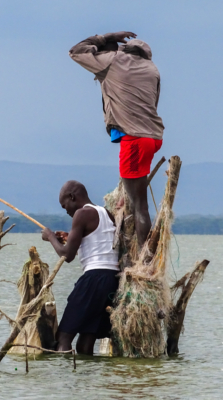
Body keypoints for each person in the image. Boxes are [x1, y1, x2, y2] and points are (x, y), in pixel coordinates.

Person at [69, 31, 165, 247]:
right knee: (133, 198)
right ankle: (133, 245)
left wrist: (105, 37)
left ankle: (143, 260)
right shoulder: (152, 69)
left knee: (140, 205)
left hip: (135, 140)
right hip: (153, 137)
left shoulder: (113, 61)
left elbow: (76, 51)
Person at [41, 180, 119, 355]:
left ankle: (65, 380)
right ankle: (87, 381)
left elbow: (67, 255)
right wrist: (70, 237)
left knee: (63, 337)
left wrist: (50, 237)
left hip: (94, 278)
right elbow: (96, 242)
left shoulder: (81, 214)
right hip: (111, 281)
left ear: (72, 196)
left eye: (65, 205)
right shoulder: (106, 213)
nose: (67, 211)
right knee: (86, 340)